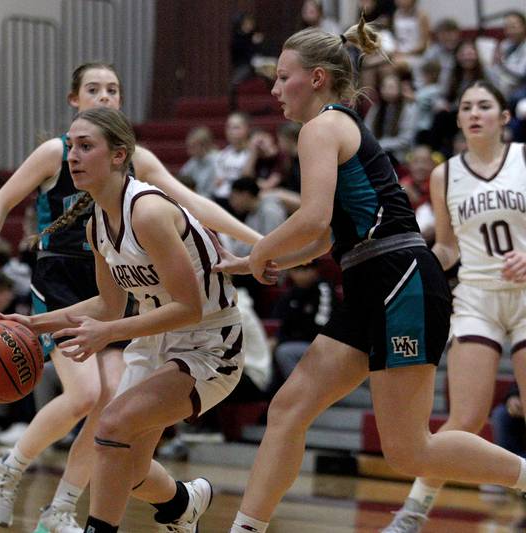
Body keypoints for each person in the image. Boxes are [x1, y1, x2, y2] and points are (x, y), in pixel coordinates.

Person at [215, 21, 526, 533]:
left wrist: (258, 250)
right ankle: (246, 528)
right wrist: (267, 259)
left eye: (283, 77)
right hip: (370, 279)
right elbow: (323, 238)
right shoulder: (334, 127)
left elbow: (312, 219)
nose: (273, 89)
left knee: (409, 451)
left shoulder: (322, 127)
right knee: (289, 407)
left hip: (398, 278)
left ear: (316, 78)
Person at [0, 62, 261, 532]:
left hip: (207, 343)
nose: (73, 156)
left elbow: (188, 308)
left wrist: (259, 244)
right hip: (140, 327)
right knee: (128, 465)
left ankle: (65, 509)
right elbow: (107, 304)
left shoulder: (147, 211)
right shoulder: (98, 220)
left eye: (86, 148)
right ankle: (182, 505)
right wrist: (32, 324)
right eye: (73, 147)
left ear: (120, 155)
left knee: (110, 422)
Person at [383, 80, 526, 532]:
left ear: (504, 117)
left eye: (485, 105)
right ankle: (412, 513)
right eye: (466, 107)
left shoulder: (523, 158)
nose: (474, 113)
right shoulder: (446, 175)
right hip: (476, 298)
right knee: (464, 418)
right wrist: (416, 264)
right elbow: (447, 247)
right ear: (459, 118)